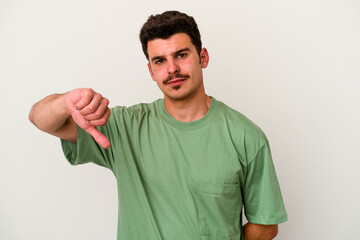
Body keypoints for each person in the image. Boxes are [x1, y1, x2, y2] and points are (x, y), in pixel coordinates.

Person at [29, 10, 287, 240]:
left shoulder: (245, 137)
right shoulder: (123, 128)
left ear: (203, 57)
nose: (172, 69)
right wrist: (65, 102)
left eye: (181, 55)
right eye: (160, 61)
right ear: (151, 71)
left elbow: (265, 226)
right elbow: (39, 119)